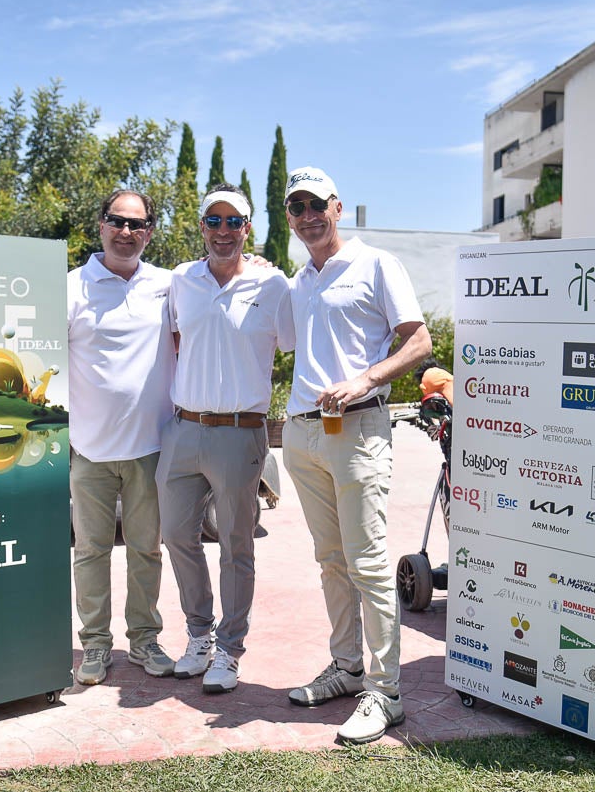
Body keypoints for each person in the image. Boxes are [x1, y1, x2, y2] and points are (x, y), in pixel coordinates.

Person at [281, 166, 432, 744]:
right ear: (290, 218)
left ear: (337, 207)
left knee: (367, 563)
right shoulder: (299, 281)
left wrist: (365, 379)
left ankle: (385, 692)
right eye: (297, 208)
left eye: (317, 205)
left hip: (359, 428)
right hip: (303, 433)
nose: (309, 216)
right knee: (330, 560)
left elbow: (419, 342)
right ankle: (346, 669)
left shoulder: (376, 263)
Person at [157, 184, 294, 693]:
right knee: (176, 535)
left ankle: (230, 651)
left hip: (240, 432)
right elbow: (176, 339)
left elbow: (295, 343)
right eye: (213, 221)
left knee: (236, 546)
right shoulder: (181, 280)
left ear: (247, 229)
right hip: (184, 428)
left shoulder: (272, 284)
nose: (223, 231)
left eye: (233, 221)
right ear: (202, 227)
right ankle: (199, 636)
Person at [66, 189, 176, 685]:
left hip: (151, 448)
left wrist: (255, 264)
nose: (125, 232)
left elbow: (221, 280)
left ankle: (144, 640)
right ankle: (94, 644)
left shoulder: (169, 285)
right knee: (90, 551)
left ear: (149, 231)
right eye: (117, 221)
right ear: (101, 225)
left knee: (146, 550)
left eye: (136, 224)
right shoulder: (71, 288)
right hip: (88, 449)